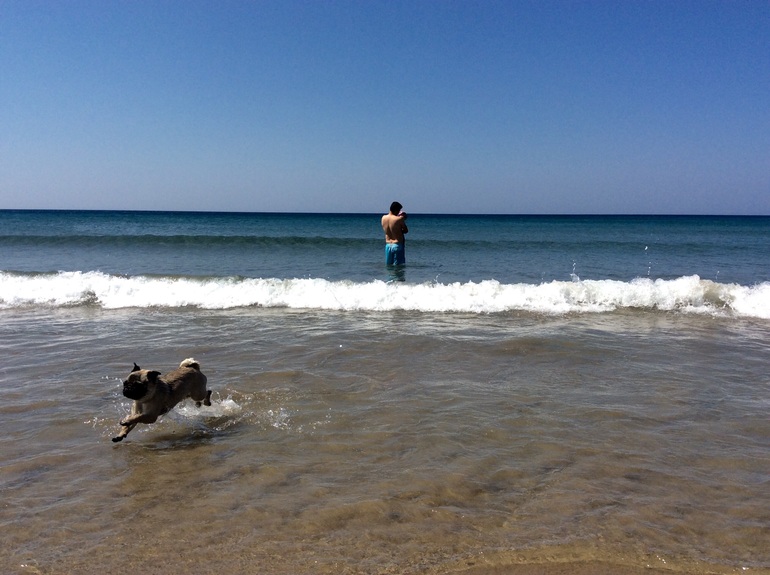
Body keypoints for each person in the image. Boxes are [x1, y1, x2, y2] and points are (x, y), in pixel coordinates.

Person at [382, 201, 408, 266]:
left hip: (388, 245)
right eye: (398, 210)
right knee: (398, 267)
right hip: (397, 244)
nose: (399, 212)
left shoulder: (383, 218)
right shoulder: (399, 219)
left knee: (389, 266)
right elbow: (406, 230)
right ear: (396, 210)